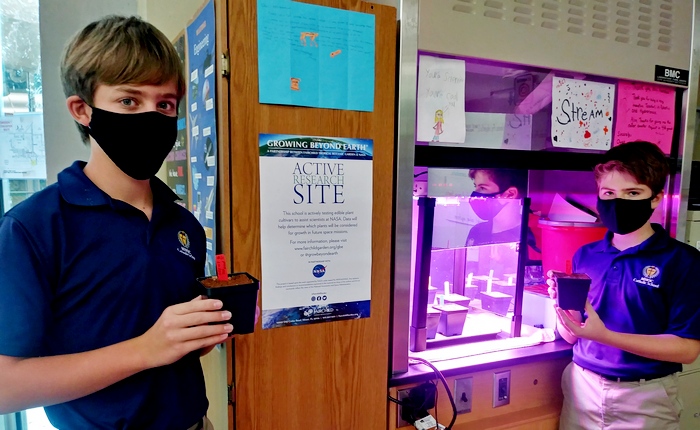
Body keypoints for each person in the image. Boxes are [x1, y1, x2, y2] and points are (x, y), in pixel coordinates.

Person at [0, 16, 231, 429]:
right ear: (83, 109)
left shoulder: (184, 224)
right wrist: (146, 349)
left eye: (164, 104)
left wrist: (196, 334)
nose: (151, 116)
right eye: (129, 101)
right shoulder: (31, 229)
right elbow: (5, 386)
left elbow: (162, 336)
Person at [547, 141, 700, 429]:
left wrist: (604, 335)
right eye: (609, 193)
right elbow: (571, 336)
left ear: (655, 198)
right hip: (581, 388)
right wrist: (562, 306)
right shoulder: (585, 255)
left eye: (632, 193)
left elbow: (687, 350)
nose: (618, 202)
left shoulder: (684, 262)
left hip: (645, 398)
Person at [466, 168, 529, 247]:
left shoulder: (531, 238)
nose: (475, 195)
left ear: (510, 194)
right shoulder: (476, 232)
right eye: (475, 186)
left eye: (482, 188)